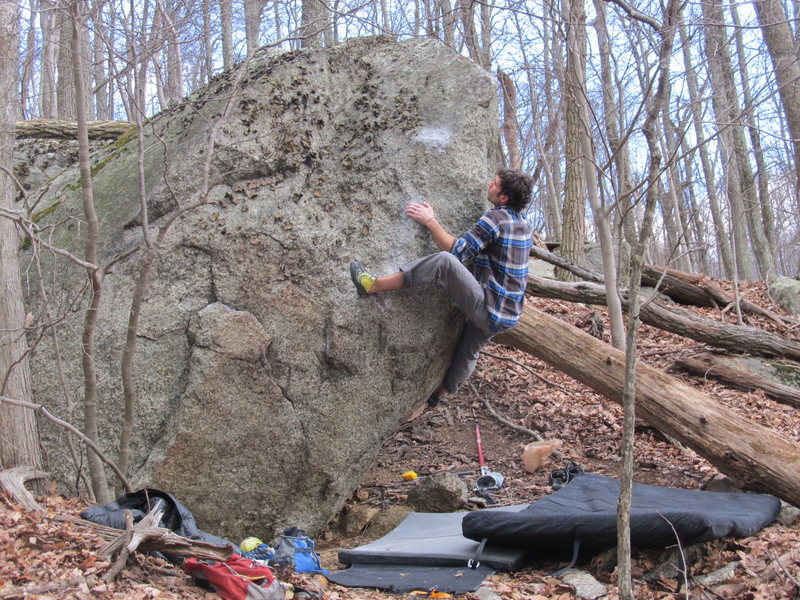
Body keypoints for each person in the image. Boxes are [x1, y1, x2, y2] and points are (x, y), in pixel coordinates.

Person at [349, 168, 533, 407]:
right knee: (470, 350)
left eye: (495, 184)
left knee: (444, 263)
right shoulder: (524, 224)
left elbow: (457, 251)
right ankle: (439, 395)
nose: (489, 184)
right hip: (508, 314)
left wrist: (430, 221)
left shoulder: (496, 219)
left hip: (490, 307)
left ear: (504, 198)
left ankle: (372, 286)